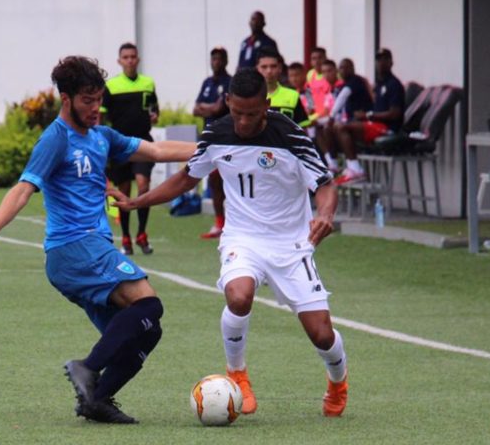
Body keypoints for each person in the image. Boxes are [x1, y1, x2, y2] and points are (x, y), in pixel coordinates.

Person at [0, 56, 196, 424]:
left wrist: (212, 149)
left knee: (146, 332)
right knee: (149, 304)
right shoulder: (55, 139)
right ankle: (87, 367)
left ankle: (96, 400)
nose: (95, 108)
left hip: (90, 251)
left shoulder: (102, 136)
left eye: (98, 99)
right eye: (87, 100)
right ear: (66, 99)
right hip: (74, 247)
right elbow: (24, 187)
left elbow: (156, 150)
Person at [111, 68, 349, 418]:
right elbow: (186, 179)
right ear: (227, 102)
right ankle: (237, 374)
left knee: (322, 335)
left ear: (266, 105)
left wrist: (325, 214)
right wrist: (138, 201)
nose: (243, 122)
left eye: (252, 114)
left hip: (291, 243)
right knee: (238, 296)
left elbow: (325, 185)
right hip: (243, 237)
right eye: (237, 112)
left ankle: (338, 382)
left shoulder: (291, 137)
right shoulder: (216, 133)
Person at [101, 43, 159, 255]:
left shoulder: (148, 83)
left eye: (133, 56)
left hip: (143, 143)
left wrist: (154, 115)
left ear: (138, 59)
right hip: (120, 145)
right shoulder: (111, 86)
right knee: (123, 192)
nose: (130, 60)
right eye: (125, 57)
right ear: (119, 61)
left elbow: (154, 109)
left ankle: (142, 233)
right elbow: (101, 115)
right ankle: (126, 237)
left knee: (143, 186)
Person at [334, 48, 405, 185]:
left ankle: (356, 170)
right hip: (375, 125)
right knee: (335, 128)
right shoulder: (379, 84)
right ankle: (340, 167)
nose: (381, 63)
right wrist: (363, 116)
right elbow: (375, 110)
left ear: (391, 62)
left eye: (385, 59)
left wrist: (369, 115)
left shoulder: (394, 84)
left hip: (388, 129)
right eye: (378, 59)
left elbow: (394, 114)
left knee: (342, 128)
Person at [193, 47, 232, 239]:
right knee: (214, 182)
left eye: (219, 59)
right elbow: (195, 109)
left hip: (228, 138)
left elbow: (220, 109)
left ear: (226, 61)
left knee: (230, 182)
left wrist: (206, 108)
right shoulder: (207, 82)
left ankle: (234, 223)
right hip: (209, 140)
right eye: (213, 58)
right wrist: (210, 108)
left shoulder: (230, 82)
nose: (216, 62)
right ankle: (219, 223)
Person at [256, 48, 309, 128]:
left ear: (280, 68)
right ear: (257, 69)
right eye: (264, 67)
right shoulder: (250, 96)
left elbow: (302, 128)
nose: (269, 71)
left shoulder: (293, 95)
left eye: (273, 66)